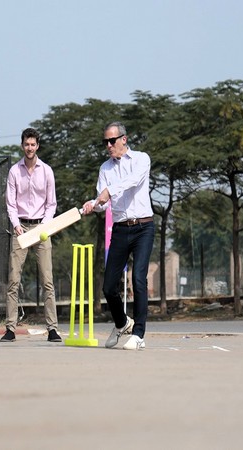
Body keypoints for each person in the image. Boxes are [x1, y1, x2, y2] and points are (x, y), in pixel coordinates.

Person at [82, 121, 154, 350]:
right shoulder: (105, 168)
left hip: (144, 227)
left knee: (138, 279)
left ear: (124, 139)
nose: (109, 145)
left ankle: (139, 334)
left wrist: (108, 192)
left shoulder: (142, 159)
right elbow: (103, 203)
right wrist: (92, 204)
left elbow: (133, 182)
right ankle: (122, 323)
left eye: (112, 140)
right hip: (121, 229)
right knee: (108, 286)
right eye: (105, 142)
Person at [1, 127, 62, 343]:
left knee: (48, 280)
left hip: (42, 228)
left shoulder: (46, 171)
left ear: (38, 146)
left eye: (33, 144)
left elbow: (51, 203)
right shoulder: (14, 172)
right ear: (22, 145)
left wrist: (44, 227)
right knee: (13, 280)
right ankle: (10, 328)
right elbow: (10, 203)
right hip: (20, 229)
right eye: (26, 144)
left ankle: (52, 329)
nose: (29, 148)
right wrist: (16, 224)